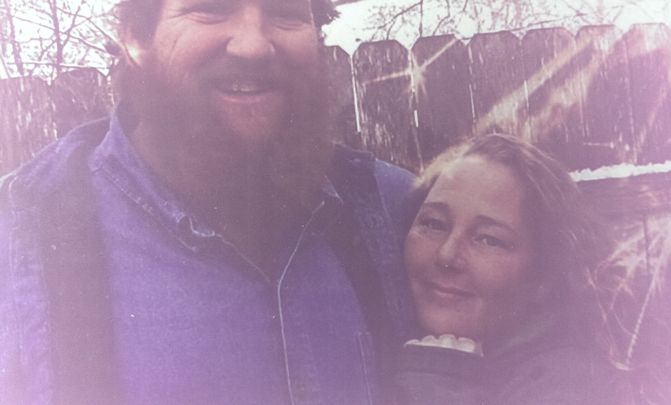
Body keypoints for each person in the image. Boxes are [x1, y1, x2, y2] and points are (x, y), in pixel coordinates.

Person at [0, 0, 415, 403]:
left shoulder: (399, 216)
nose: (253, 45)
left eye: (286, 13)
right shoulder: (20, 244)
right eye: (211, 9)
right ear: (135, 37)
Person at [394, 134, 632, 404]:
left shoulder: (571, 388)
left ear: (545, 275)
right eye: (434, 223)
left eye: (488, 239)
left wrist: (441, 388)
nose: (447, 255)